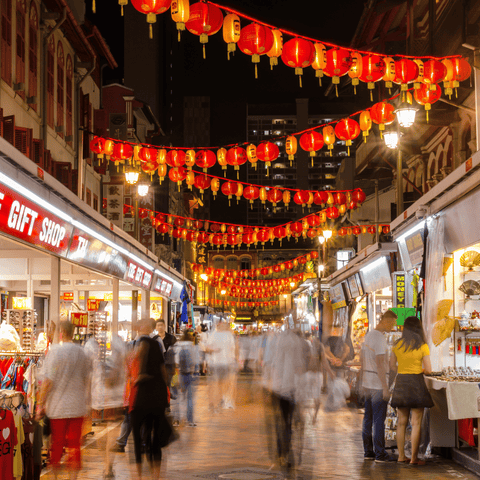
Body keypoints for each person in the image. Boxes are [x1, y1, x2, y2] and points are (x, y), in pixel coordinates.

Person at [36, 321, 92, 480]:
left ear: (60, 332)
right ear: (72, 332)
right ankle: (72, 478)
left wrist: (40, 405)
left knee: (57, 445)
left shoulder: (55, 352)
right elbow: (87, 379)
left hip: (58, 407)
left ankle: (54, 478)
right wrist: (88, 403)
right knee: (74, 445)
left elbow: (48, 381)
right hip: (77, 405)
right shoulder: (82, 353)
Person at [390, 316, 434, 466]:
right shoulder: (422, 346)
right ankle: (414, 458)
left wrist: (403, 369)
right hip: (416, 383)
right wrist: (419, 369)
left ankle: (401, 456)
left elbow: (391, 365)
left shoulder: (397, 345)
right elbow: (428, 370)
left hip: (401, 381)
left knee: (401, 423)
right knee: (416, 423)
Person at [130, 318, 169, 479]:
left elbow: (132, 367)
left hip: (140, 397)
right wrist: (167, 391)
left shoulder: (138, 344)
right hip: (157, 397)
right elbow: (163, 369)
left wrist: (138, 378)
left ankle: (139, 476)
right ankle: (155, 476)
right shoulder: (156, 344)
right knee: (155, 440)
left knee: (138, 441)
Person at [361, 310, 398, 463]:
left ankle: (368, 452)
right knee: (378, 420)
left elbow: (363, 359)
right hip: (377, 384)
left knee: (368, 418)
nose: (393, 327)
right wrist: (385, 387)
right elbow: (380, 364)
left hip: (367, 382)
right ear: (387, 321)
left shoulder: (369, 335)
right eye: (393, 324)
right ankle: (380, 454)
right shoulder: (380, 338)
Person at [205, 322, 236, 411]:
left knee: (222, 383)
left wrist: (232, 360)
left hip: (225, 363)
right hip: (215, 363)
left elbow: (232, 349)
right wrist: (214, 350)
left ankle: (220, 400)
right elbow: (207, 348)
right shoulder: (214, 334)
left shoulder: (228, 335)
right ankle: (216, 402)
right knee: (217, 384)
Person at [174, 330, 198, 426]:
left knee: (179, 398)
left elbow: (175, 361)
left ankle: (178, 420)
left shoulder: (178, 345)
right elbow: (196, 361)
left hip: (179, 373)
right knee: (190, 399)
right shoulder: (193, 346)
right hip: (191, 374)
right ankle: (190, 420)